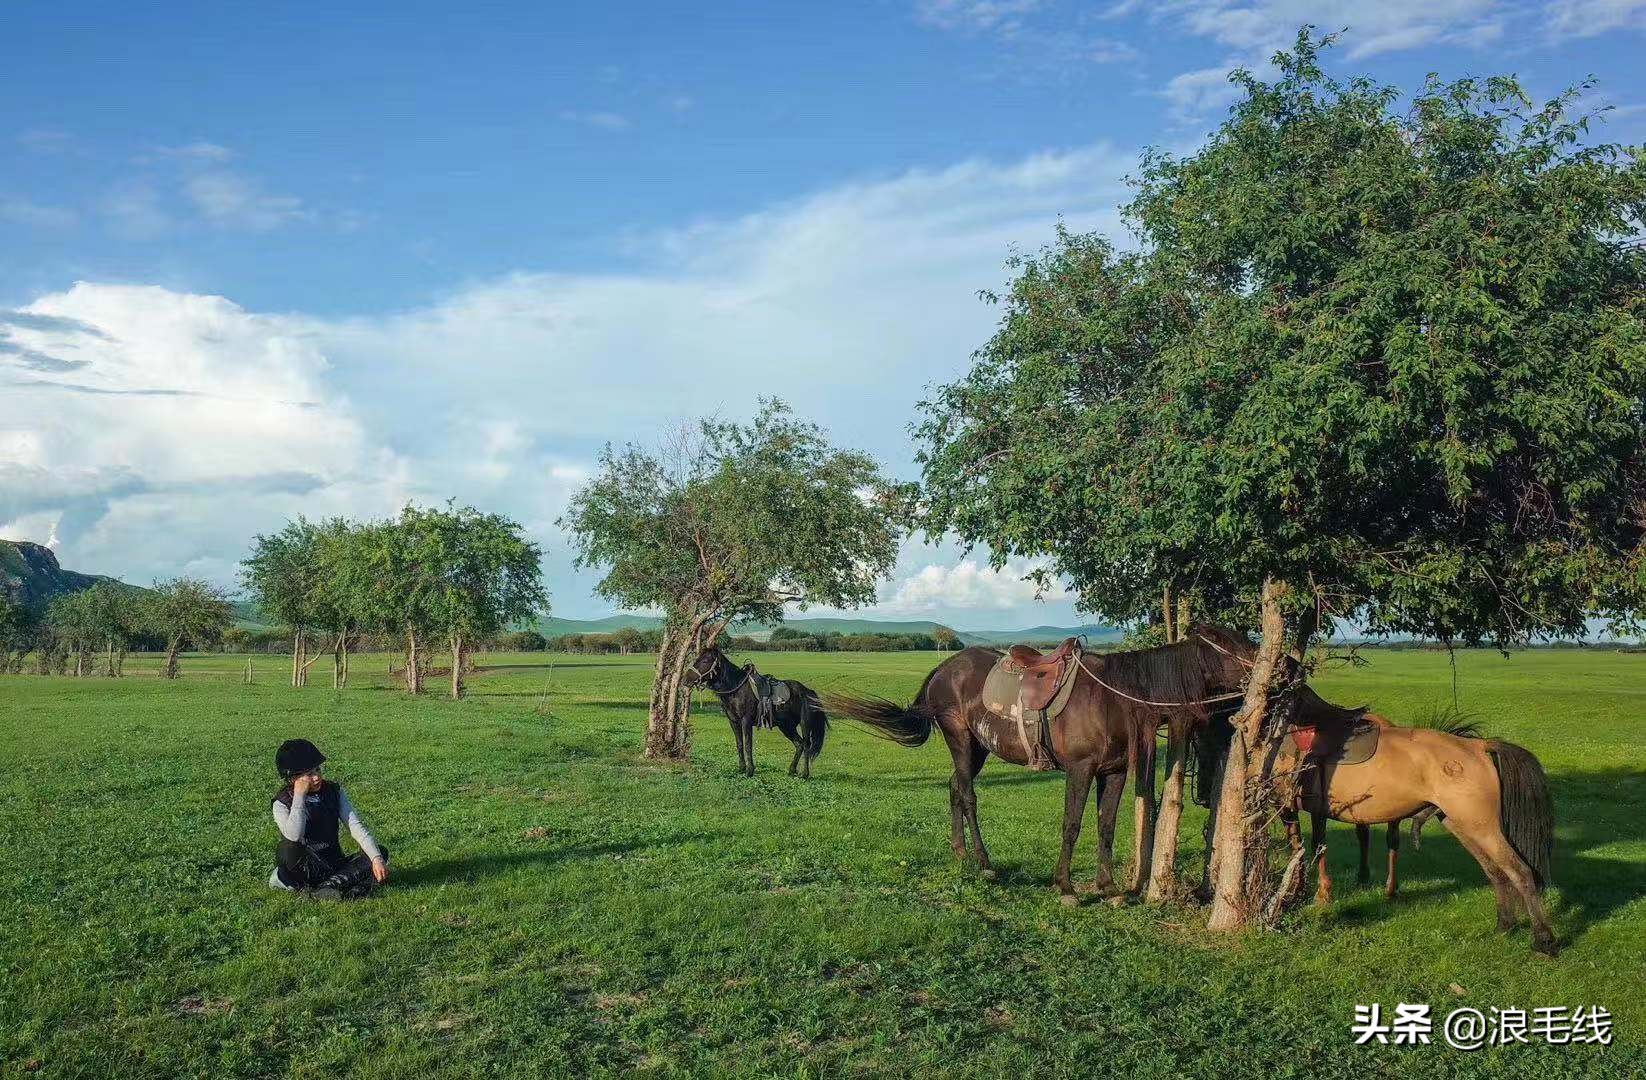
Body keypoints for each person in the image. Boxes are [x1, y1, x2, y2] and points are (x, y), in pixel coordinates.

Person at [269, 738, 389, 900]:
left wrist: (376, 858)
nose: (317, 777)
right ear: (292, 779)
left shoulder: (333, 791)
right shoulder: (281, 803)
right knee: (288, 845)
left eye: (318, 770)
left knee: (379, 852)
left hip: (331, 862)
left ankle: (327, 887)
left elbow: (355, 826)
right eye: (309, 774)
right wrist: (299, 796)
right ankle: (346, 887)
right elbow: (294, 836)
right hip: (303, 867)